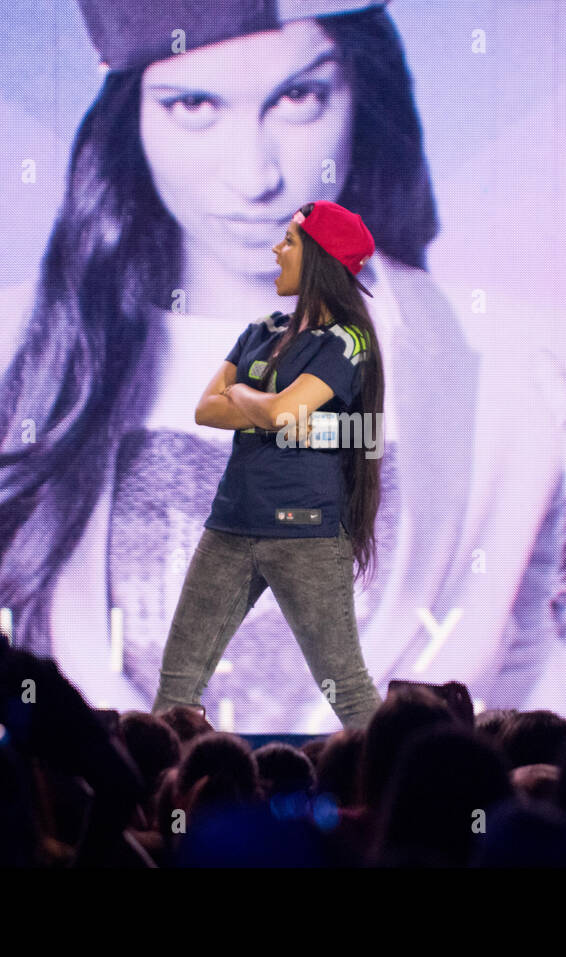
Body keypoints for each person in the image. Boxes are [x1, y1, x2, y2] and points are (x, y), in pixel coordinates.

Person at [0, 0, 566, 733]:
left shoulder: (507, 376)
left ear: (358, 94)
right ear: (130, 116)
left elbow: (541, 747)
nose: (255, 175)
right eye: (194, 106)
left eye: (297, 100)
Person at [151, 200, 384, 729]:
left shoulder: (348, 341)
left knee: (345, 687)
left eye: (290, 243)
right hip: (230, 524)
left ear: (320, 259)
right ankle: (167, 801)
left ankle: (400, 797)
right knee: (177, 686)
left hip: (305, 532)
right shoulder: (263, 328)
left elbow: (280, 411)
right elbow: (207, 410)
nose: (277, 251)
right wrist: (266, 409)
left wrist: (244, 394)